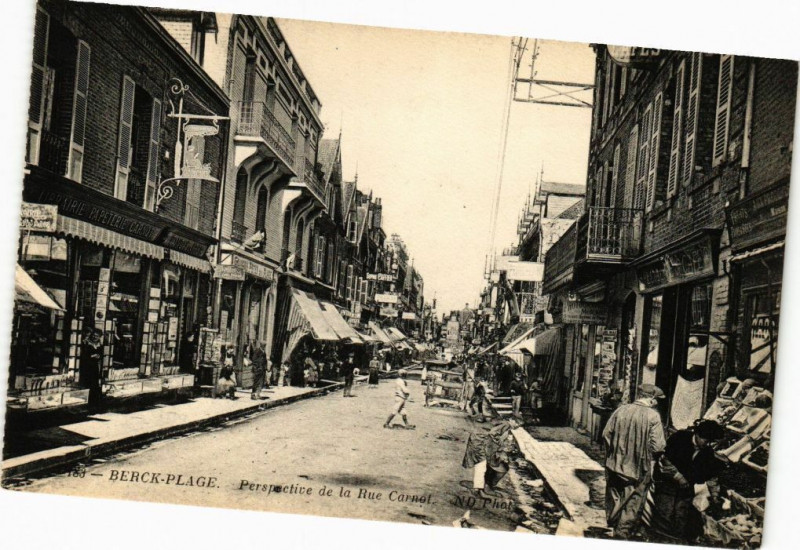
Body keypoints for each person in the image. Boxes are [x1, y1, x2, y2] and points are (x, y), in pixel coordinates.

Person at [602, 384, 667, 539]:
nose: (657, 403)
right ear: (651, 399)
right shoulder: (653, 416)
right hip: (639, 467)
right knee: (633, 502)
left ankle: (613, 524)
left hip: (614, 464)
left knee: (615, 496)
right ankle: (622, 533)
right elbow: (658, 446)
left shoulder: (621, 410)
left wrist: (615, 453)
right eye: (656, 399)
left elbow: (606, 434)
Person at [649, 419, 726, 544]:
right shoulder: (679, 438)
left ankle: (676, 541)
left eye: (711, 442)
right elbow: (664, 460)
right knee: (664, 513)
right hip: (666, 483)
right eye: (706, 441)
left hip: (687, 488)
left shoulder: (708, 452)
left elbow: (712, 476)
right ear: (698, 435)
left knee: (681, 515)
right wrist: (678, 477)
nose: (708, 444)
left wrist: (715, 496)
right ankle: (659, 541)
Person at [462, 418, 519, 497]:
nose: (517, 426)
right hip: (479, 442)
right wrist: (499, 445)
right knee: (481, 465)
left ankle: (483, 486)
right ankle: (477, 490)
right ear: (512, 420)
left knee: (484, 465)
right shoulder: (506, 424)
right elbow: (493, 433)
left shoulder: (504, 424)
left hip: (481, 441)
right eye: (517, 423)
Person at [80, 328, 103, 412]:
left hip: (95, 367)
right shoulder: (87, 344)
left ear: (99, 337)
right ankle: (87, 403)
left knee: (95, 385)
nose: (94, 337)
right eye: (93, 335)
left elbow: (102, 355)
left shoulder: (99, 345)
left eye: (97, 336)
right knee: (88, 384)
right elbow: (83, 356)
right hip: (87, 367)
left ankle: (94, 404)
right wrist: (92, 356)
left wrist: (99, 356)